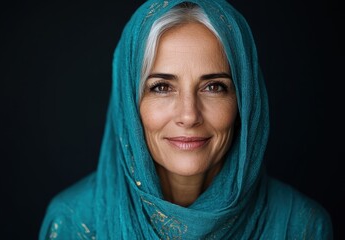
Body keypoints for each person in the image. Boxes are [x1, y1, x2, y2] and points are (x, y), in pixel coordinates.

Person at [39, 0, 333, 239]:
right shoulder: (74, 222)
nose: (189, 115)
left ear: (245, 100)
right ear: (130, 105)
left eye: (214, 86)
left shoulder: (302, 226)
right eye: (162, 87)